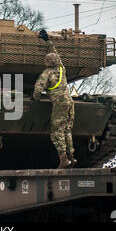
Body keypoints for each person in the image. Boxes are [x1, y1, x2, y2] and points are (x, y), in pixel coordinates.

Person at [32, 29, 77, 169]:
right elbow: (55, 53)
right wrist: (48, 41)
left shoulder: (47, 73)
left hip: (60, 103)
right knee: (67, 130)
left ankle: (63, 159)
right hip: (70, 102)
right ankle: (72, 157)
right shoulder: (61, 68)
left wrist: (36, 98)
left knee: (56, 131)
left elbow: (38, 88)